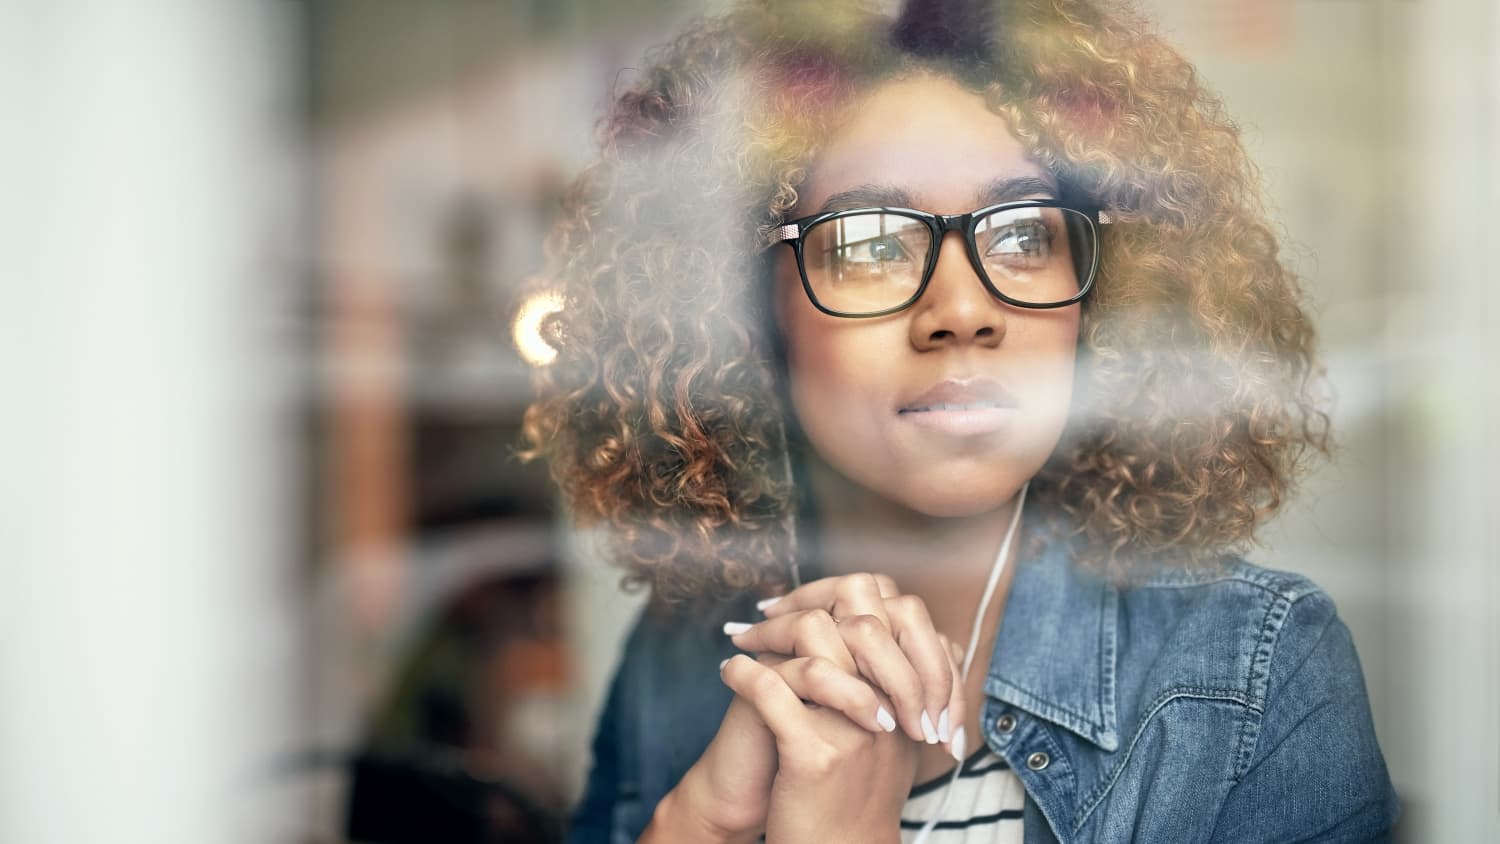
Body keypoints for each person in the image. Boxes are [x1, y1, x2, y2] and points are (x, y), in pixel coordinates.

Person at [523, 0, 1400, 840]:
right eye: (870, 240)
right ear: (749, 312)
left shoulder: (1253, 673)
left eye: (1022, 233)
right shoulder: (687, 654)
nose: (964, 309)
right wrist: (697, 824)